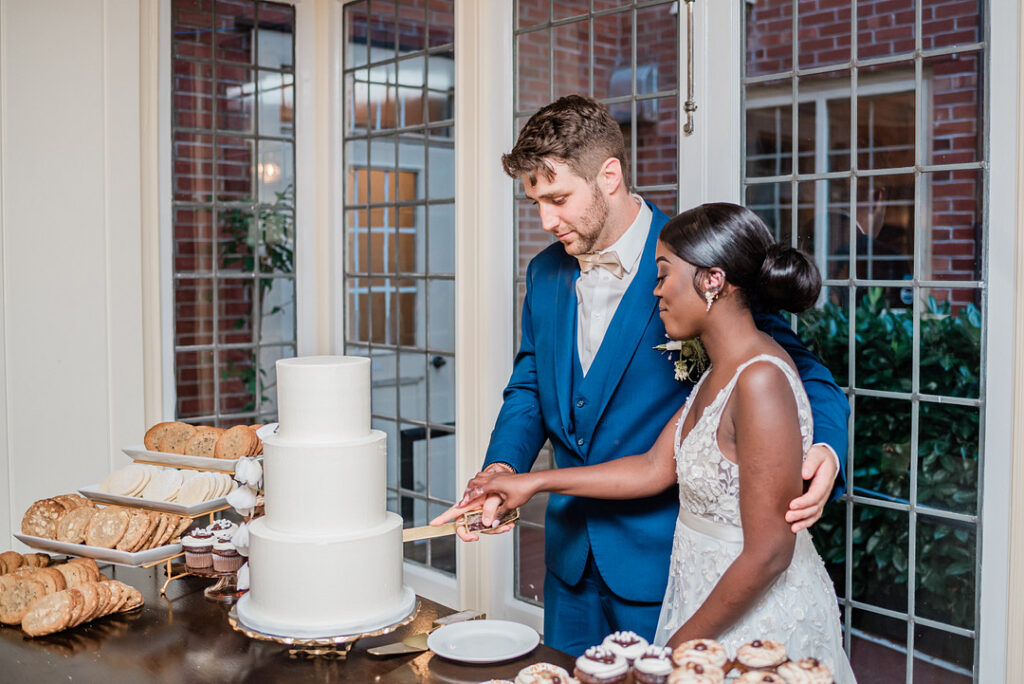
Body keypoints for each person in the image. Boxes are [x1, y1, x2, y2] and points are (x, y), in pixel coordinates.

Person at [433, 96, 850, 656]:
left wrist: (824, 447)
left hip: (669, 566)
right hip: (569, 561)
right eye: (534, 201)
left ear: (609, 176)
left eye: (558, 198)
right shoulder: (545, 272)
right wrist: (503, 468)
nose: (545, 220)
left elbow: (796, 370)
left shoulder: (695, 261)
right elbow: (531, 382)